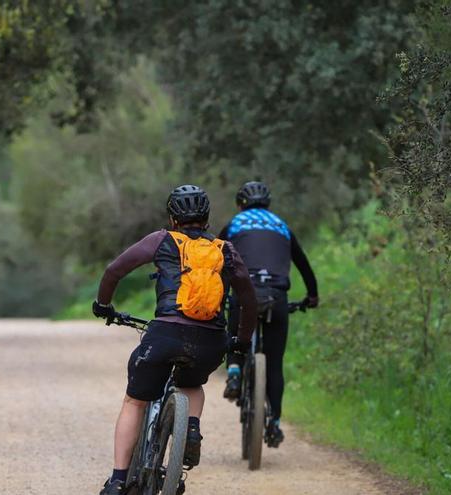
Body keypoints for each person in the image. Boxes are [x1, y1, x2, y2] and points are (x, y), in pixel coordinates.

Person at [93, 185, 257, 495]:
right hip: (210, 340)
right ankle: (191, 429)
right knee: (192, 385)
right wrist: (242, 340)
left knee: (135, 401)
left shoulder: (161, 240)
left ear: (172, 218)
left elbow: (114, 270)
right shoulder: (225, 250)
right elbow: (248, 299)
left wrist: (103, 304)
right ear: (207, 219)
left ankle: (117, 481)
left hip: (166, 334)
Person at [218, 181, 319, 448]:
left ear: (240, 204)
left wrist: (218, 297)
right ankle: (273, 422)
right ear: (268, 204)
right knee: (274, 364)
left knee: (234, 325)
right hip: (277, 297)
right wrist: (312, 296)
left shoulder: (234, 224)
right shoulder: (281, 225)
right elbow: (303, 263)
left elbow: (216, 261)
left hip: (245, 293)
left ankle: (235, 369)